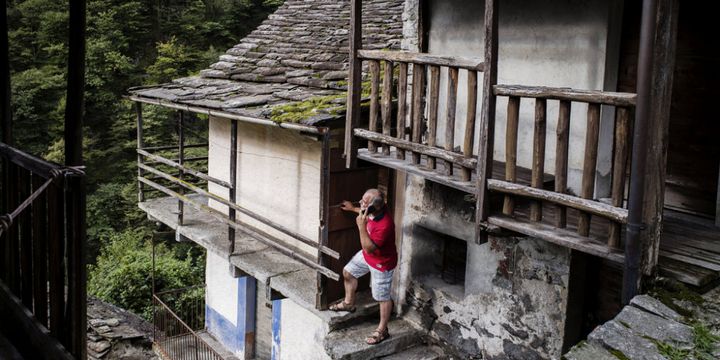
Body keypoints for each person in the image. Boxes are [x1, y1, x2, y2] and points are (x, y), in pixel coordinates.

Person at [330, 188, 397, 345]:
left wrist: (361, 226)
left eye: (364, 203)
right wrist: (352, 208)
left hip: (382, 262)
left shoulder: (385, 225)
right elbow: (365, 212)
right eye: (362, 199)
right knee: (348, 272)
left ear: (374, 207)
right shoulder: (374, 210)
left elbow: (368, 248)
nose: (361, 203)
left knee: (382, 297)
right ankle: (349, 303)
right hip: (368, 257)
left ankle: (382, 330)